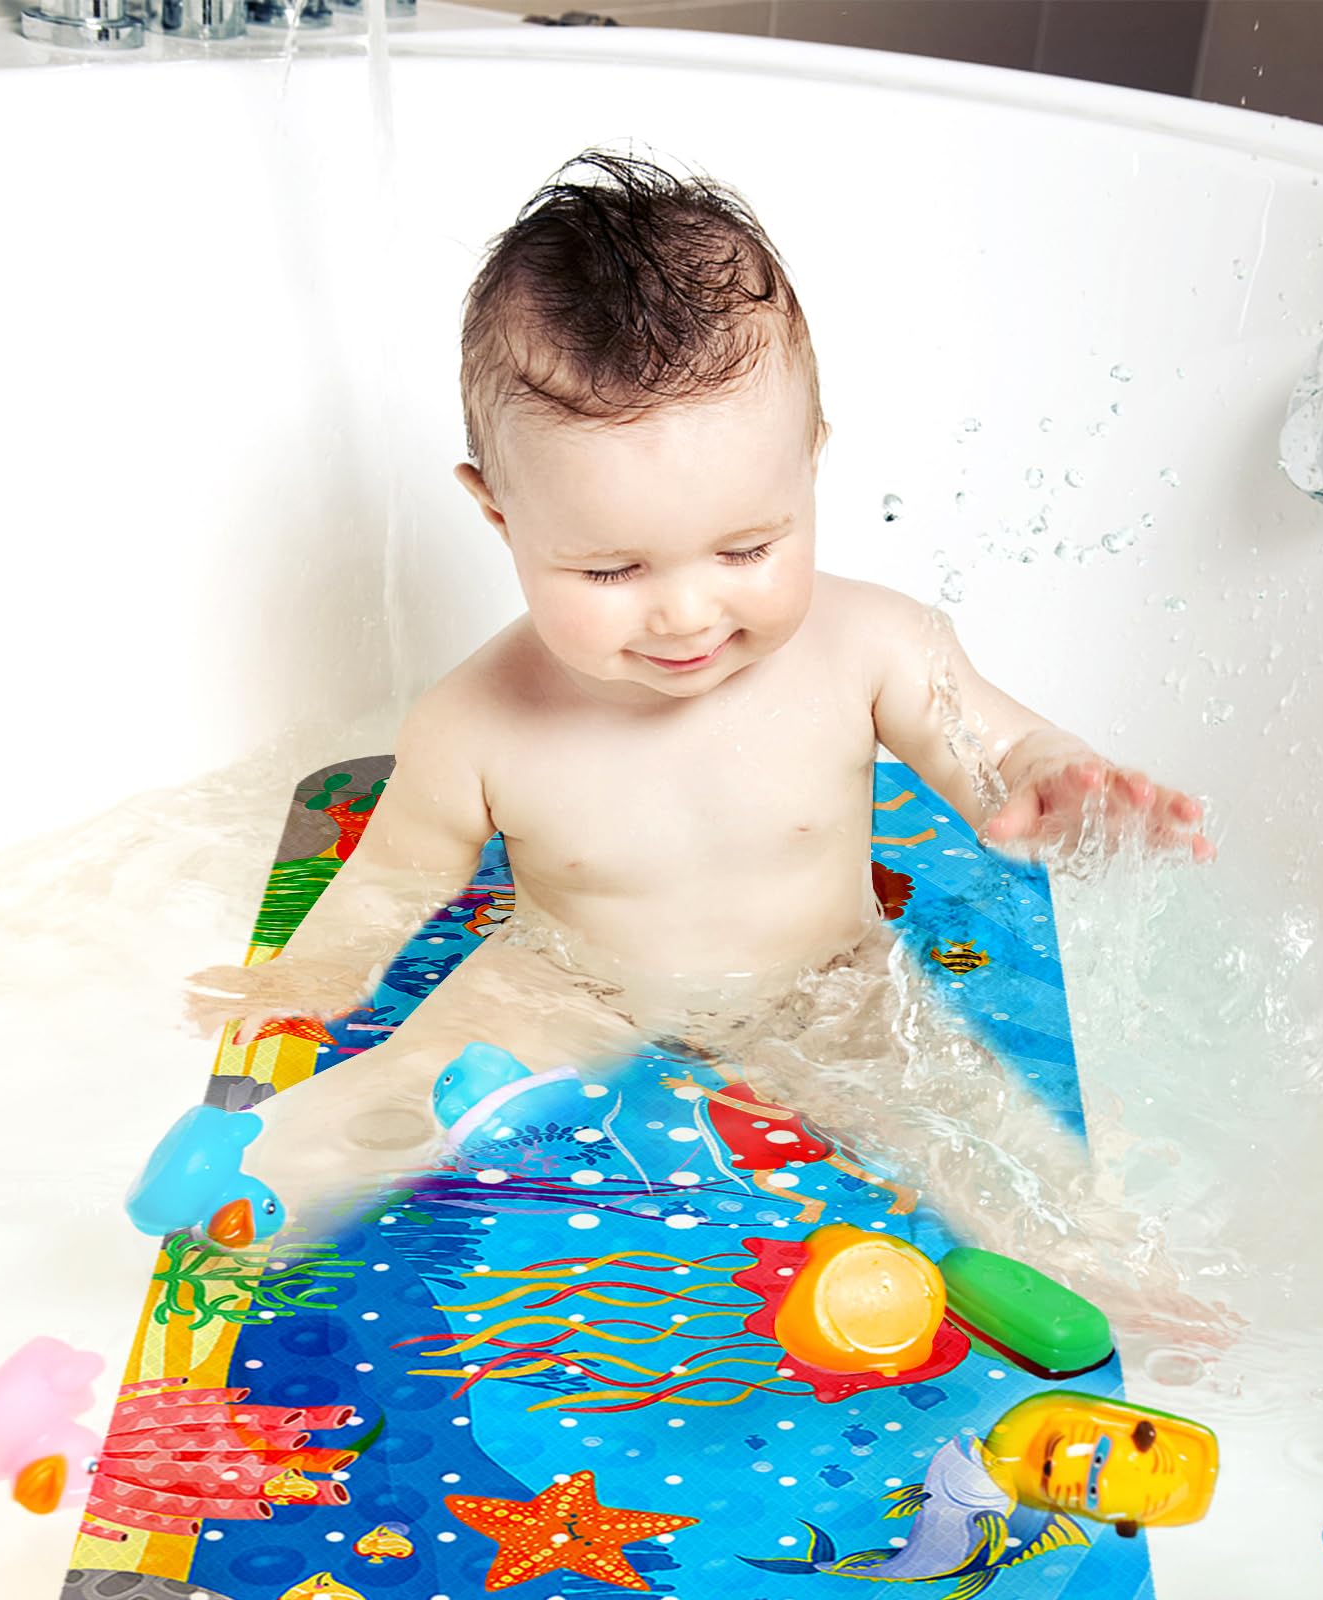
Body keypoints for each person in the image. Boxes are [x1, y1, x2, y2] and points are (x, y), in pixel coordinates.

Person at [186, 148, 1219, 1335]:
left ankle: (1118, 1276)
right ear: (497, 510)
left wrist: (1057, 786)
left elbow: (992, 746)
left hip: (826, 982)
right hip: (570, 978)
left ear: (811, 457)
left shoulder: (872, 643)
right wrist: (309, 980)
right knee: (415, 1080)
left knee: (986, 1130)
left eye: (745, 550)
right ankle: (239, 1195)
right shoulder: (475, 720)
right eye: (610, 569)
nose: (686, 612)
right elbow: (397, 872)